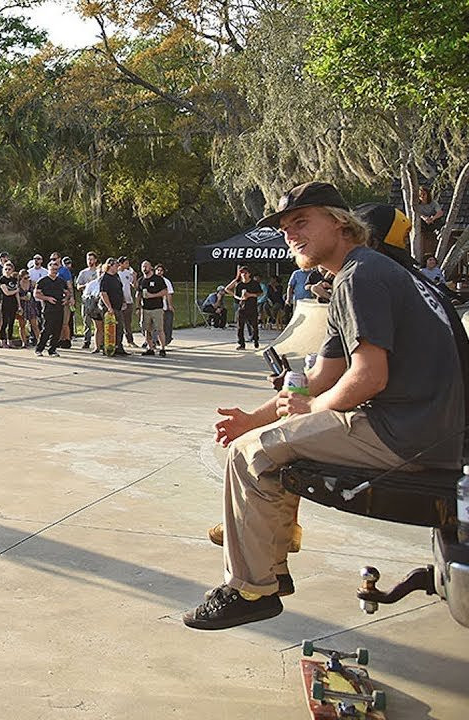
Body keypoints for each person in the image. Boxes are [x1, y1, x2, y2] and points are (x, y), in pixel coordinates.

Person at [183, 181, 464, 630]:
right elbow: (318, 380)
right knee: (261, 439)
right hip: (425, 428)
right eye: (284, 228)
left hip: (406, 433)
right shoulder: (367, 272)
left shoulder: (359, 276)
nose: (290, 235)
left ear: (339, 223)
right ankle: (272, 566)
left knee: (250, 455)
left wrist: (310, 411)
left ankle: (250, 590)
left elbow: (368, 377)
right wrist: (253, 419)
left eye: (301, 222)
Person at [225, 266, 263, 350]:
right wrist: (239, 297)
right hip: (242, 308)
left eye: (245, 273)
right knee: (240, 327)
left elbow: (260, 293)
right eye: (242, 273)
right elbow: (234, 294)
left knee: (254, 326)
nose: (244, 275)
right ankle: (241, 343)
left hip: (252, 307)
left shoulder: (254, 283)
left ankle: (255, 339)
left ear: (249, 274)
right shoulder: (239, 285)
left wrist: (250, 295)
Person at [35, 259, 68, 356]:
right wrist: (47, 298)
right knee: (47, 329)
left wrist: (66, 299)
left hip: (59, 308)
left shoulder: (61, 281)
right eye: (52, 269)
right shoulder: (42, 281)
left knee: (57, 329)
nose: (54, 271)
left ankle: (52, 349)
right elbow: (36, 294)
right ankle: (39, 349)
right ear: (48, 269)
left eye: (56, 269)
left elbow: (67, 292)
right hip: (48, 308)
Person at [138, 261, 168, 357]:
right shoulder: (141, 280)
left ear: (151, 267)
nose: (144, 268)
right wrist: (138, 306)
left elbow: (165, 291)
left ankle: (162, 349)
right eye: (143, 266)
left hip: (157, 308)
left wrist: (152, 295)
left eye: (146, 266)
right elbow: (138, 294)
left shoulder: (158, 279)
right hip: (145, 309)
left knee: (159, 329)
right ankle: (150, 348)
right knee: (147, 330)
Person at [99, 258, 129, 356]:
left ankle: (118, 347)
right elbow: (103, 294)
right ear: (110, 266)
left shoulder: (116, 276)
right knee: (109, 329)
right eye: (116, 265)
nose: (117, 267)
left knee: (119, 328)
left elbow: (120, 289)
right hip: (109, 308)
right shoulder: (105, 278)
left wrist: (123, 300)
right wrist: (109, 307)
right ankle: (107, 348)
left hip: (118, 306)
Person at [75, 252, 102, 349]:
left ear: (95, 260)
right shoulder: (83, 273)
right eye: (88, 259)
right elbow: (78, 286)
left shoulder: (100, 271)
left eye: (91, 259)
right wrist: (85, 285)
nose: (89, 261)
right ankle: (87, 341)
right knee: (86, 321)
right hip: (87, 300)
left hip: (97, 300)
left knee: (98, 322)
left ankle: (100, 342)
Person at [0, 262, 22, 347]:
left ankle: (10, 340)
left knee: (11, 322)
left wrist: (19, 305)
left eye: (9, 269)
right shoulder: (2, 279)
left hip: (13, 303)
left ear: (12, 270)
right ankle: (2, 340)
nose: (7, 271)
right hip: (5, 303)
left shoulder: (14, 280)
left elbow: (17, 294)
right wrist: (16, 290)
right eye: (6, 269)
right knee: (4, 322)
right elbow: (6, 292)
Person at [415, 186, 445, 251]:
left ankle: (438, 232)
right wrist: (424, 218)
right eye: (420, 195)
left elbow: (440, 212)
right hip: (424, 222)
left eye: (424, 194)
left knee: (439, 221)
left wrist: (433, 218)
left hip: (433, 221)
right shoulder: (417, 205)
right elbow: (418, 214)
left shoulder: (433, 203)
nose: (422, 196)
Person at [17, 268, 41, 347]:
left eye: (28, 277)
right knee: (22, 325)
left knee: (34, 324)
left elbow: (38, 290)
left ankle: (40, 341)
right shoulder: (18, 285)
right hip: (22, 305)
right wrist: (22, 298)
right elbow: (15, 296)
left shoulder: (32, 283)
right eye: (25, 278)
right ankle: (24, 342)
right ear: (21, 277)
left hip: (31, 305)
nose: (27, 279)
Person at [117, 256, 137, 346]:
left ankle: (130, 340)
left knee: (127, 322)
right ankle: (118, 342)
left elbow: (134, 285)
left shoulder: (128, 273)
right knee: (119, 323)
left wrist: (134, 277)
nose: (128, 265)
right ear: (120, 264)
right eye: (126, 263)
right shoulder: (116, 273)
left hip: (128, 300)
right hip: (119, 301)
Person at [155, 264, 175, 345]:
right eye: (158, 270)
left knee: (165, 324)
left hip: (163, 306)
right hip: (154, 306)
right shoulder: (152, 280)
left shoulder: (166, 281)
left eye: (161, 270)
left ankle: (165, 340)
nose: (159, 272)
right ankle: (155, 340)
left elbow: (169, 294)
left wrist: (170, 305)